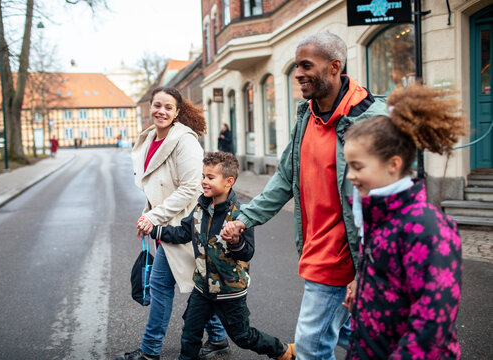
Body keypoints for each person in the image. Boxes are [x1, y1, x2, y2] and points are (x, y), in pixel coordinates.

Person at [221, 32, 388, 359]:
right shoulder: (307, 115)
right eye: (297, 65)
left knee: (311, 346)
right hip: (315, 248)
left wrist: (367, 268)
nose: (298, 73)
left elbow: (385, 202)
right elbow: (285, 177)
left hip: (343, 256)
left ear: (334, 67)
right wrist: (244, 218)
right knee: (349, 330)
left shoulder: (370, 118)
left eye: (306, 65)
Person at [342, 83, 465, 359]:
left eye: (358, 167)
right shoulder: (377, 216)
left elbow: (432, 322)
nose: (350, 176)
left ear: (393, 164)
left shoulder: (428, 227)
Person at [146, 152, 296, 360]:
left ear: (229, 182)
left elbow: (247, 252)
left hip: (230, 291)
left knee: (243, 336)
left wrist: (235, 241)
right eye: (203, 176)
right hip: (202, 288)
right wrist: (154, 230)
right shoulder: (200, 208)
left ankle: (282, 351)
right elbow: (182, 233)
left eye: (210, 177)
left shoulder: (240, 215)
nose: (204, 182)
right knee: (190, 334)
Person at [116, 87, 228, 360]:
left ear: (178, 112)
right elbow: (156, 186)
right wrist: (148, 215)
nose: (161, 111)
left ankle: (150, 350)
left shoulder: (184, 140)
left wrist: (153, 218)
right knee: (194, 283)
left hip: (185, 225)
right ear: (150, 107)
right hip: (167, 222)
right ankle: (218, 338)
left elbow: (192, 187)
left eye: (168, 107)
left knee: (166, 284)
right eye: (157, 105)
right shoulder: (150, 138)